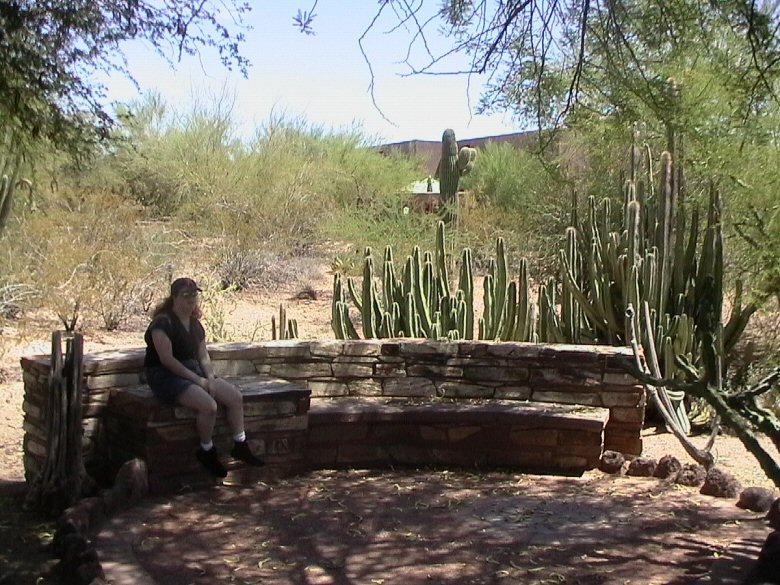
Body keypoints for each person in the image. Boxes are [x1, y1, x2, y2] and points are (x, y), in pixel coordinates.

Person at [144, 277, 264, 478]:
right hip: (165, 375)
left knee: (235, 397)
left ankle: (240, 444)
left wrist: (209, 377)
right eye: (186, 295)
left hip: (193, 370)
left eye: (194, 294)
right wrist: (198, 380)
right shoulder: (162, 323)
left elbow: (202, 355)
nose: (191, 299)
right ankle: (206, 450)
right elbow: (167, 360)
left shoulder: (195, 324)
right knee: (209, 406)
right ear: (174, 297)